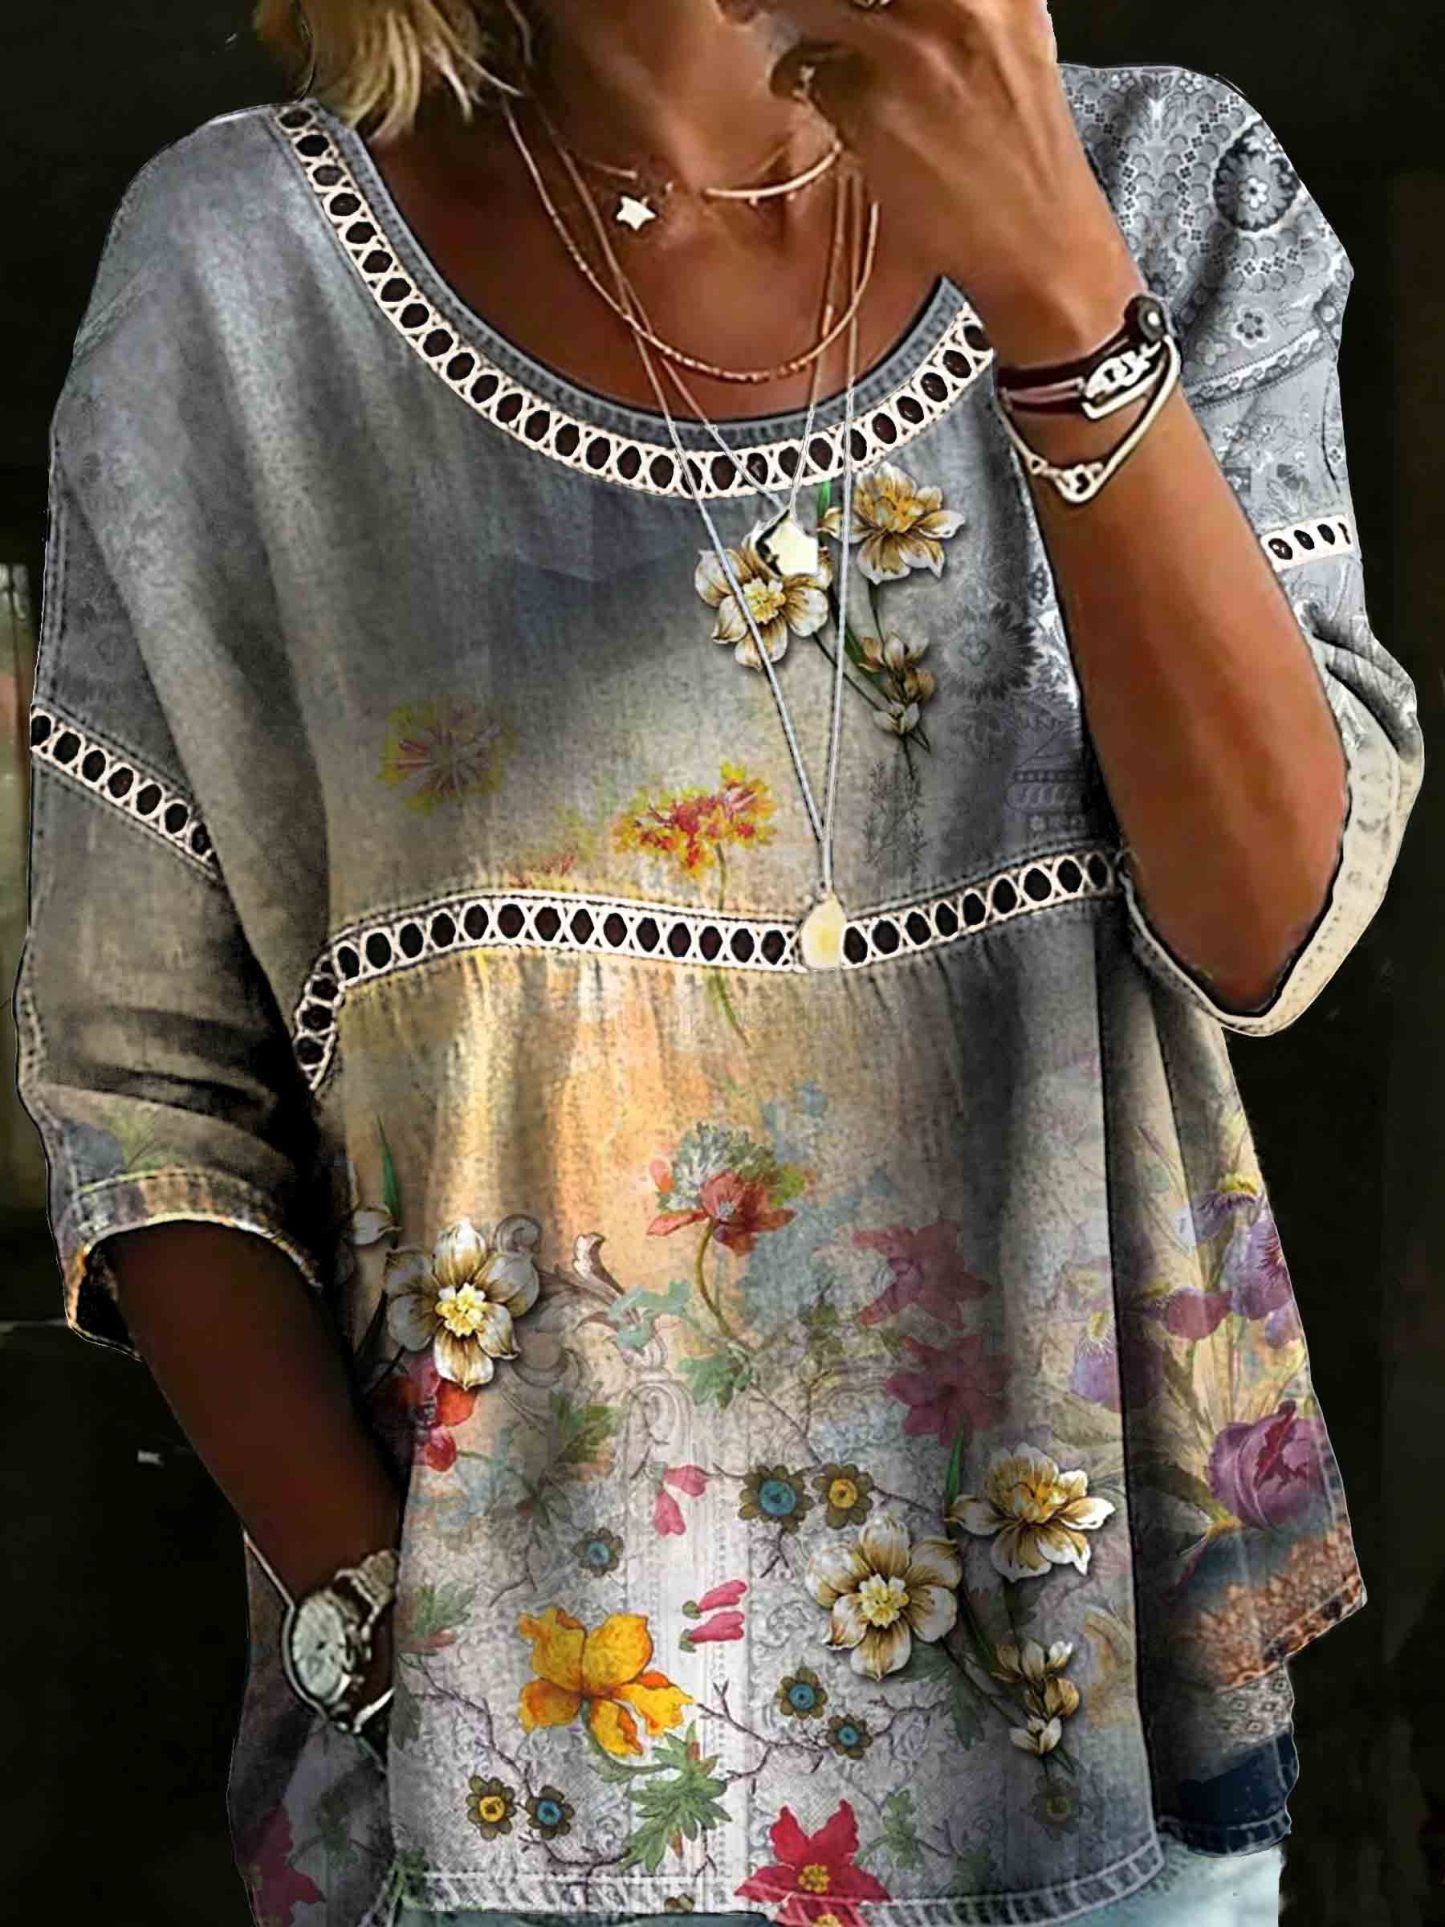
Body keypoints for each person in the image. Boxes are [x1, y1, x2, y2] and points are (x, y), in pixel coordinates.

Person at [12, 0, 1423, 1921]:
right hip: (499, 1806)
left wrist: (1058, 298)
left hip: (1096, 1764)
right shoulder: (241, 277)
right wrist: (393, 1642)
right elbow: (145, 1094)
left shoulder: (1168, 193)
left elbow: (1269, 928)